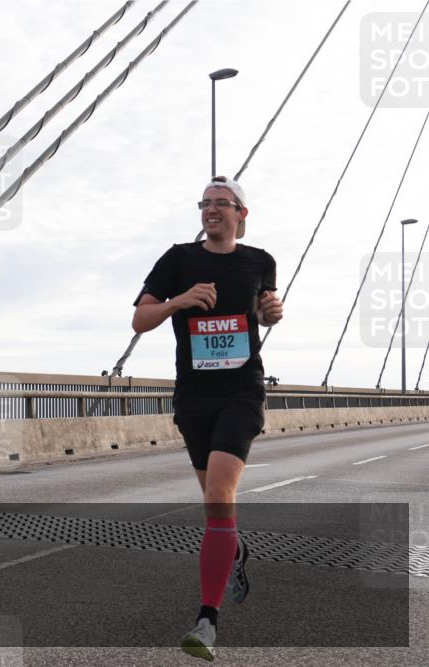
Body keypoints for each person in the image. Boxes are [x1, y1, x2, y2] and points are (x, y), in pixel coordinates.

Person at [131, 176, 283, 661]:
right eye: (205, 203)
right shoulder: (178, 259)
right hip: (194, 397)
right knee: (215, 506)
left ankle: (206, 621)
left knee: (220, 495)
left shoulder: (260, 261)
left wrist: (271, 312)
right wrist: (179, 301)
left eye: (222, 203)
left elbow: (262, 312)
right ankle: (233, 551)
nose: (211, 210)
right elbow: (140, 319)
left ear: (242, 213)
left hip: (242, 390)